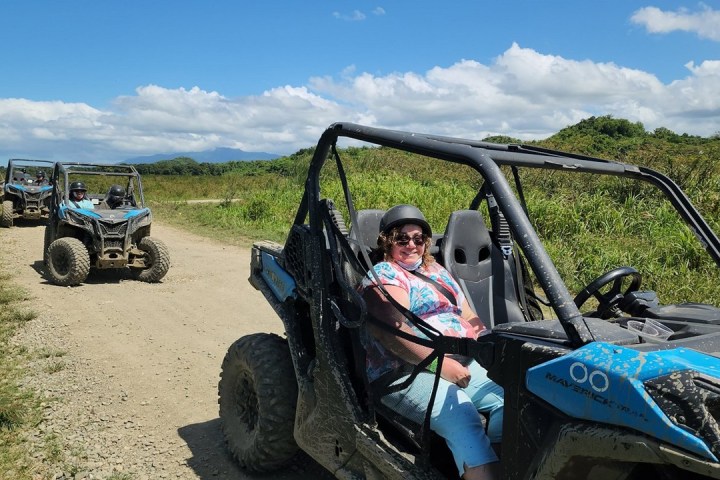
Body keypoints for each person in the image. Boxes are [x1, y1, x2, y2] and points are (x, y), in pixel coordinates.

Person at [361, 204, 504, 480]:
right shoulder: (384, 275)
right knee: (461, 414)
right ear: (388, 241)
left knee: (507, 397)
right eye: (402, 238)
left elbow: (467, 313)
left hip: (460, 359)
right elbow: (392, 331)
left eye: (418, 238)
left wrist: (486, 343)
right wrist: (440, 365)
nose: (411, 244)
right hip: (404, 370)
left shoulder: (436, 270)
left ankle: (494, 466)